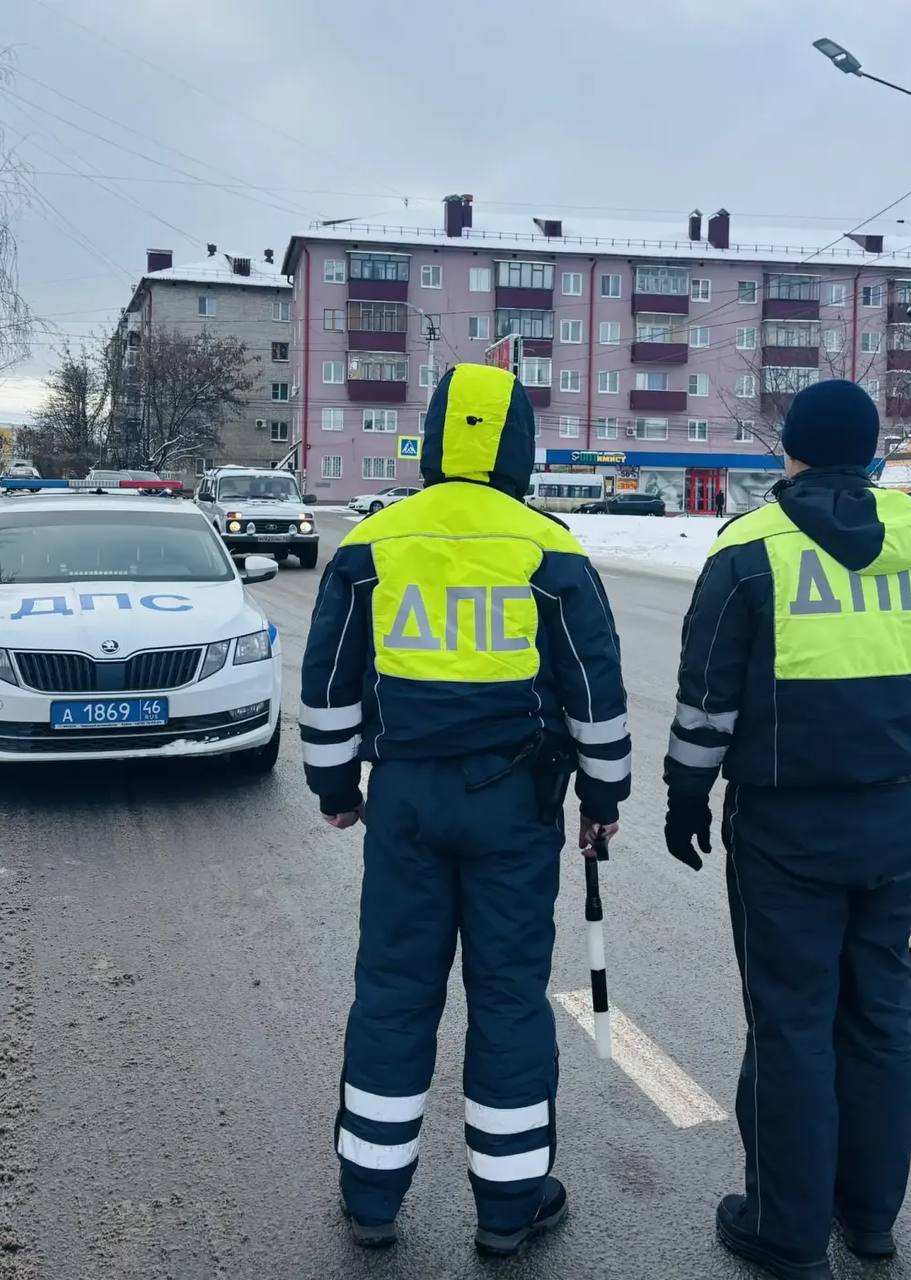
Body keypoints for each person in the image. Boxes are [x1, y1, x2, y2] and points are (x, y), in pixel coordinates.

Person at [300, 363, 630, 1258]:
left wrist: (335, 787)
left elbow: (329, 680)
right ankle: (509, 1207)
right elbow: (592, 690)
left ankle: (371, 1197)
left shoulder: (377, 541)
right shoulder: (547, 547)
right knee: (510, 999)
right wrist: (601, 798)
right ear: (517, 446)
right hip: (515, 808)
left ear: (436, 436)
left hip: (404, 801)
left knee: (395, 992)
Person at [663, 379, 911, 1280]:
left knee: (791, 1024)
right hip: (894, 825)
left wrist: (685, 795)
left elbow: (705, 700)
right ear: (872, 455)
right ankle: (868, 1219)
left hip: (782, 831)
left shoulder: (750, 549)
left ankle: (785, 1229)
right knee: (880, 1018)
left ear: (792, 453)